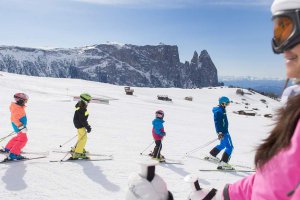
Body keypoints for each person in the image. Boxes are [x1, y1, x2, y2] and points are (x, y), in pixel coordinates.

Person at [185, 0, 300, 199]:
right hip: (224, 133)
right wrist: (224, 195)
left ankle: (217, 157)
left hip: (224, 132)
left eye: (287, 28)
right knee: (227, 146)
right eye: (277, 33)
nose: (280, 47)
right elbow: (275, 180)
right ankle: (218, 158)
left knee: (227, 146)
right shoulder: (295, 111)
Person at [206, 96, 234, 170]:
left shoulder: (222, 109)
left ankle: (212, 155)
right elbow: (217, 123)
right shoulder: (219, 111)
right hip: (224, 132)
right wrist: (220, 132)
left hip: (223, 131)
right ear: (222, 103)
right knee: (230, 147)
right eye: (227, 103)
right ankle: (224, 163)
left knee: (222, 145)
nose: (228, 105)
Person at [3, 93, 29, 160]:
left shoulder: (17, 107)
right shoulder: (17, 108)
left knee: (19, 137)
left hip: (18, 126)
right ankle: (13, 154)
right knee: (23, 139)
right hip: (19, 126)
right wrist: (21, 126)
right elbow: (15, 119)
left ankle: (8, 148)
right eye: (24, 101)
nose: (25, 102)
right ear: (20, 100)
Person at [70, 93, 92, 160]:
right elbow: (83, 120)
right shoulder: (82, 109)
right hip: (80, 126)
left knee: (80, 138)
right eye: (88, 101)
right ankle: (77, 153)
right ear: (85, 101)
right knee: (83, 139)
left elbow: (82, 119)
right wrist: (87, 127)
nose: (89, 103)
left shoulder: (80, 106)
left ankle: (77, 149)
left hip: (78, 125)